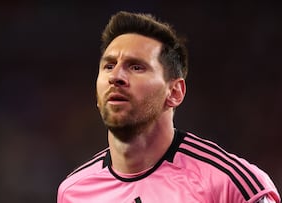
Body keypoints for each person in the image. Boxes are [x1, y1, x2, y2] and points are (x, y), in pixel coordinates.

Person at [57, 11, 281, 203]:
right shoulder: (74, 192)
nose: (116, 76)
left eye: (136, 67)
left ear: (174, 93)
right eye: (109, 66)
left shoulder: (231, 185)